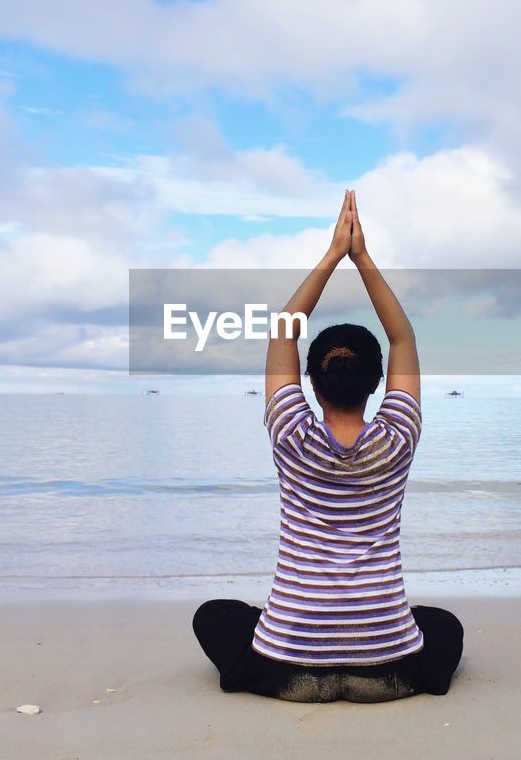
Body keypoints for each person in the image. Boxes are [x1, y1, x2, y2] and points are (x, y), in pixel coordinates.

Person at [192, 190, 464, 703]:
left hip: (289, 667)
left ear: (310, 385)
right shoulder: (398, 436)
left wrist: (333, 254)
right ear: (378, 384)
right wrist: (362, 258)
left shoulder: (290, 433)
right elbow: (403, 338)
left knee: (216, 616)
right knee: (441, 625)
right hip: (387, 673)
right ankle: (372, 655)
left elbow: (282, 333)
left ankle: (292, 659)